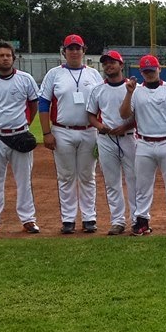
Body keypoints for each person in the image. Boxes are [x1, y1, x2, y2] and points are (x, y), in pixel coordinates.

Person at [38, 34, 103, 234]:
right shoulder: (54, 74)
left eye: (78, 48)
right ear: (64, 51)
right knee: (66, 176)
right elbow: (43, 103)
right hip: (62, 130)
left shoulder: (93, 74)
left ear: (84, 50)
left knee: (87, 176)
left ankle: (89, 218)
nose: (74, 52)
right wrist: (46, 132)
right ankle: (68, 219)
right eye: (70, 48)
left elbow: (103, 101)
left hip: (88, 131)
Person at [0, 40, 40, 235]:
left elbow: (33, 105)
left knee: (24, 180)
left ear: (13, 58)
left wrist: (24, 124)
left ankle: (28, 219)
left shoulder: (25, 79)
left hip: (20, 134)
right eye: (1, 55)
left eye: (8, 55)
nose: (5, 58)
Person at [119, 54, 166, 236]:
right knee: (142, 185)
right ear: (141, 72)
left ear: (159, 69)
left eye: (152, 70)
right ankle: (141, 221)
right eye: (146, 71)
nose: (149, 74)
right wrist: (128, 93)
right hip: (144, 142)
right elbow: (124, 114)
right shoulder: (136, 92)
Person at [86, 50, 137, 235]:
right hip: (106, 139)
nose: (109, 65)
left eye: (113, 62)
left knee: (134, 180)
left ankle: (138, 219)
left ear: (121, 65)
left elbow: (141, 115)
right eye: (106, 63)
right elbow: (91, 115)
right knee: (112, 182)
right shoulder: (98, 89)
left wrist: (126, 126)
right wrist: (100, 126)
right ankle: (118, 221)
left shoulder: (132, 87)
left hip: (130, 137)